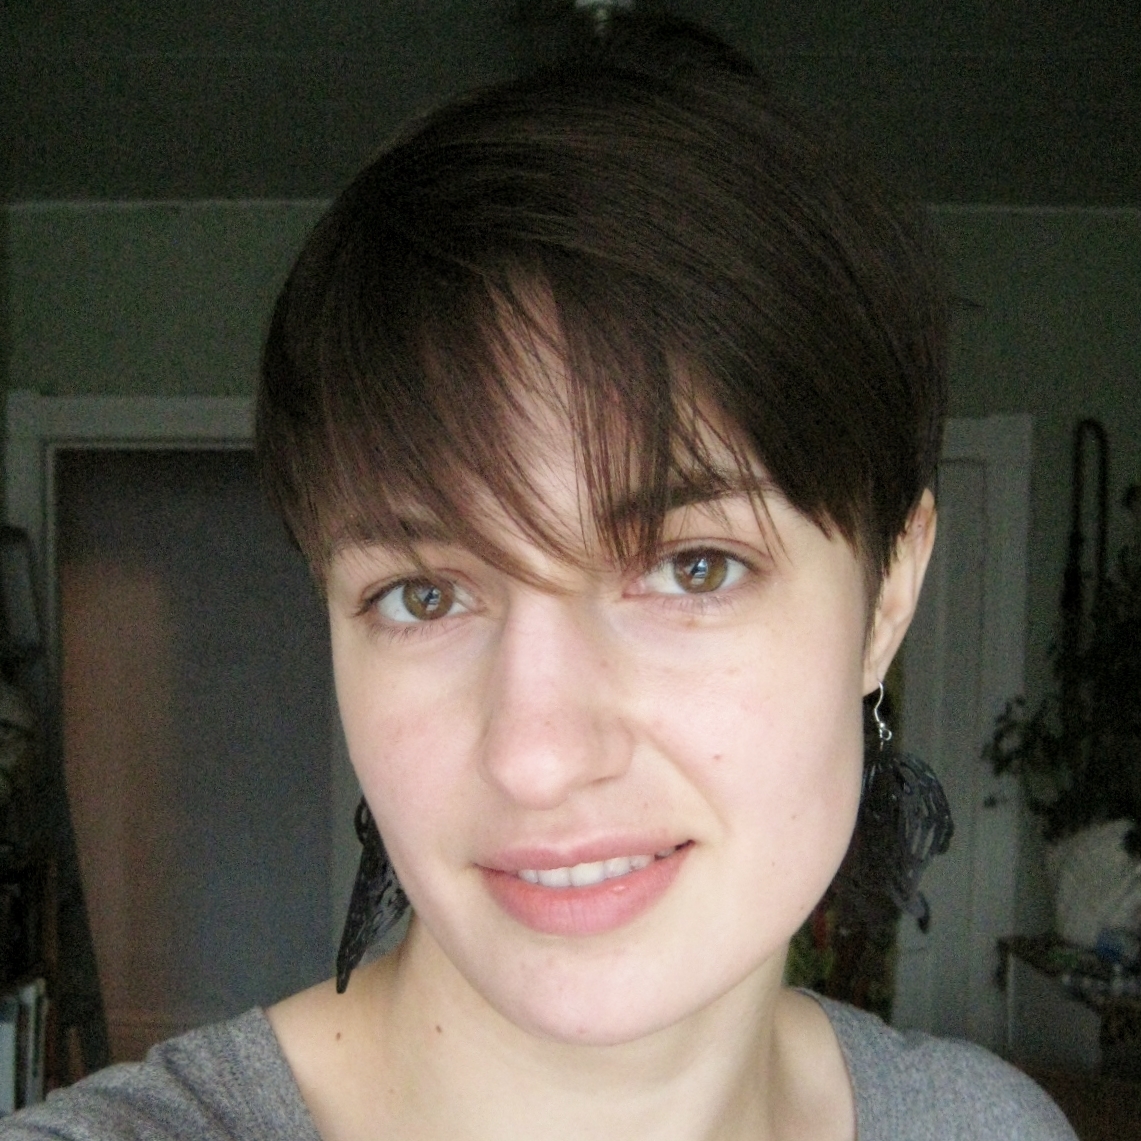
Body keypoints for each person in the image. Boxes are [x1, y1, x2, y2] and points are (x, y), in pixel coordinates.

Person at [3, 18, 1075, 1141]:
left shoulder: (986, 1126)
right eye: (424, 593)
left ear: (887, 594)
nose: (538, 754)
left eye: (692, 566)